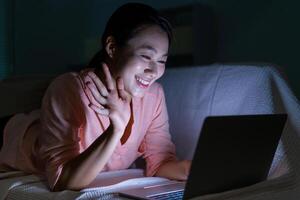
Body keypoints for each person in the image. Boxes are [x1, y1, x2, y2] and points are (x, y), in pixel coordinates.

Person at [0, 3, 191, 191]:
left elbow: (160, 163)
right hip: (8, 139)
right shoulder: (69, 88)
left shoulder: (154, 96)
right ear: (112, 48)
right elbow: (62, 181)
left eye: (161, 60)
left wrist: (196, 169)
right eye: (145, 56)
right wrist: (115, 130)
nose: (154, 70)